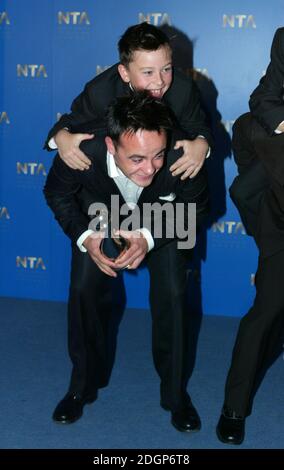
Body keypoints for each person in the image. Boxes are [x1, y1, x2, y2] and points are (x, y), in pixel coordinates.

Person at [43, 92, 209, 431]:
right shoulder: (81, 150)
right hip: (101, 212)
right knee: (83, 287)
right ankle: (82, 386)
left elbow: (195, 209)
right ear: (109, 145)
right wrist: (84, 237)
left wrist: (147, 237)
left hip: (164, 217)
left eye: (158, 155)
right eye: (136, 158)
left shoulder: (184, 153)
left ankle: (176, 395)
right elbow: (56, 192)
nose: (149, 168)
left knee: (175, 294)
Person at [45, 22, 212, 179]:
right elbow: (71, 122)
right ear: (124, 73)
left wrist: (202, 142)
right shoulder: (100, 92)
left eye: (166, 69)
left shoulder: (183, 89)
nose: (160, 81)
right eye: (148, 72)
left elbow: (197, 126)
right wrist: (61, 137)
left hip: (159, 182)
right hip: (109, 188)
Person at [216, 112, 284, 445]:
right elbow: (243, 189)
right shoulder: (260, 128)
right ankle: (234, 409)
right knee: (263, 315)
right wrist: (267, 245)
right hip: (280, 236)